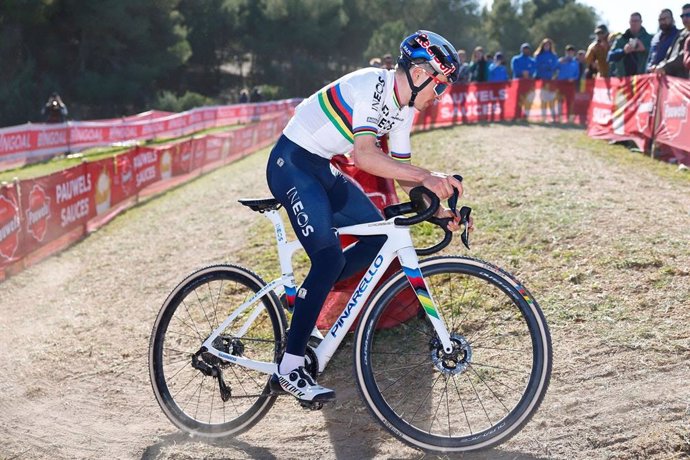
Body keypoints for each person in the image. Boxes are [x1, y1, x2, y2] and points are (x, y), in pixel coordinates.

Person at [265, 30, 469, 403]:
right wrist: (428, 176)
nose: (439, 97)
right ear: (421, 73)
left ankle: (310, 296)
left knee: (377, 239)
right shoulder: (372, 85)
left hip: (321, 168)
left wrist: (437, 210)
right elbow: (365, 156)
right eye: (439, 87)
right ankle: (290, 367)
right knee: (328, 259)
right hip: (291, 163)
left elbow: (403, 174)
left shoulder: (403, 111)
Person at [654, 4, 690, 78]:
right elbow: (669, 55)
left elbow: (682, 56)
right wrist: (659, 66)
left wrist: (664, 67)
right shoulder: (679, 34)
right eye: (682, 16)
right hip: (674, 82)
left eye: (688, 15)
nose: (685, 18)